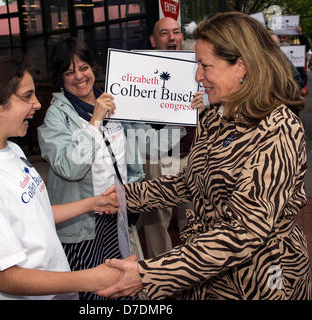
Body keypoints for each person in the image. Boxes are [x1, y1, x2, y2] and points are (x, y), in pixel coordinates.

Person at [97, 12, 310, 300]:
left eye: (205, 65)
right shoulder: (217, 116)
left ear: (242, 67)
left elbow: (244, 231)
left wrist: (150, 274)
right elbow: (190, 183)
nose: (197, 76)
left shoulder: (279, 128)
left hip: (260, 278)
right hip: (207, 273)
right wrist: (124, 197)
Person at [0, 55, 122, 300]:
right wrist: (89, 278)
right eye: (26, 96)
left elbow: (33, 215)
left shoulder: (11, 149)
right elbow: (6, 277)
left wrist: (92, 203)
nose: (38, 104)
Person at [37, 37, 146, 300]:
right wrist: (94, 121)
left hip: (116, 212)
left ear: (93, 68)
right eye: (69, 72)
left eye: (83, 67)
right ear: (60, 78)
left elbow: (132, 152)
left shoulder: (114, 100)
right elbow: (70, 167)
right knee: (92, 292)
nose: (79, 77)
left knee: (120, 283)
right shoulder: (55, 116)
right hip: (83, 223)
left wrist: (185, 111)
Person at [139, 16, 204, 259]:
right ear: (153, 40)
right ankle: (161, 277)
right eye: (164, 33)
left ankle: (194, 272)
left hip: (192, 156)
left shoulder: (198, 68)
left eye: (176, 32)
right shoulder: (141, 71)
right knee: (156, 224)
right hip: (158, 159)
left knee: (194, 219)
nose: (172, 38)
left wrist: (203, 103)